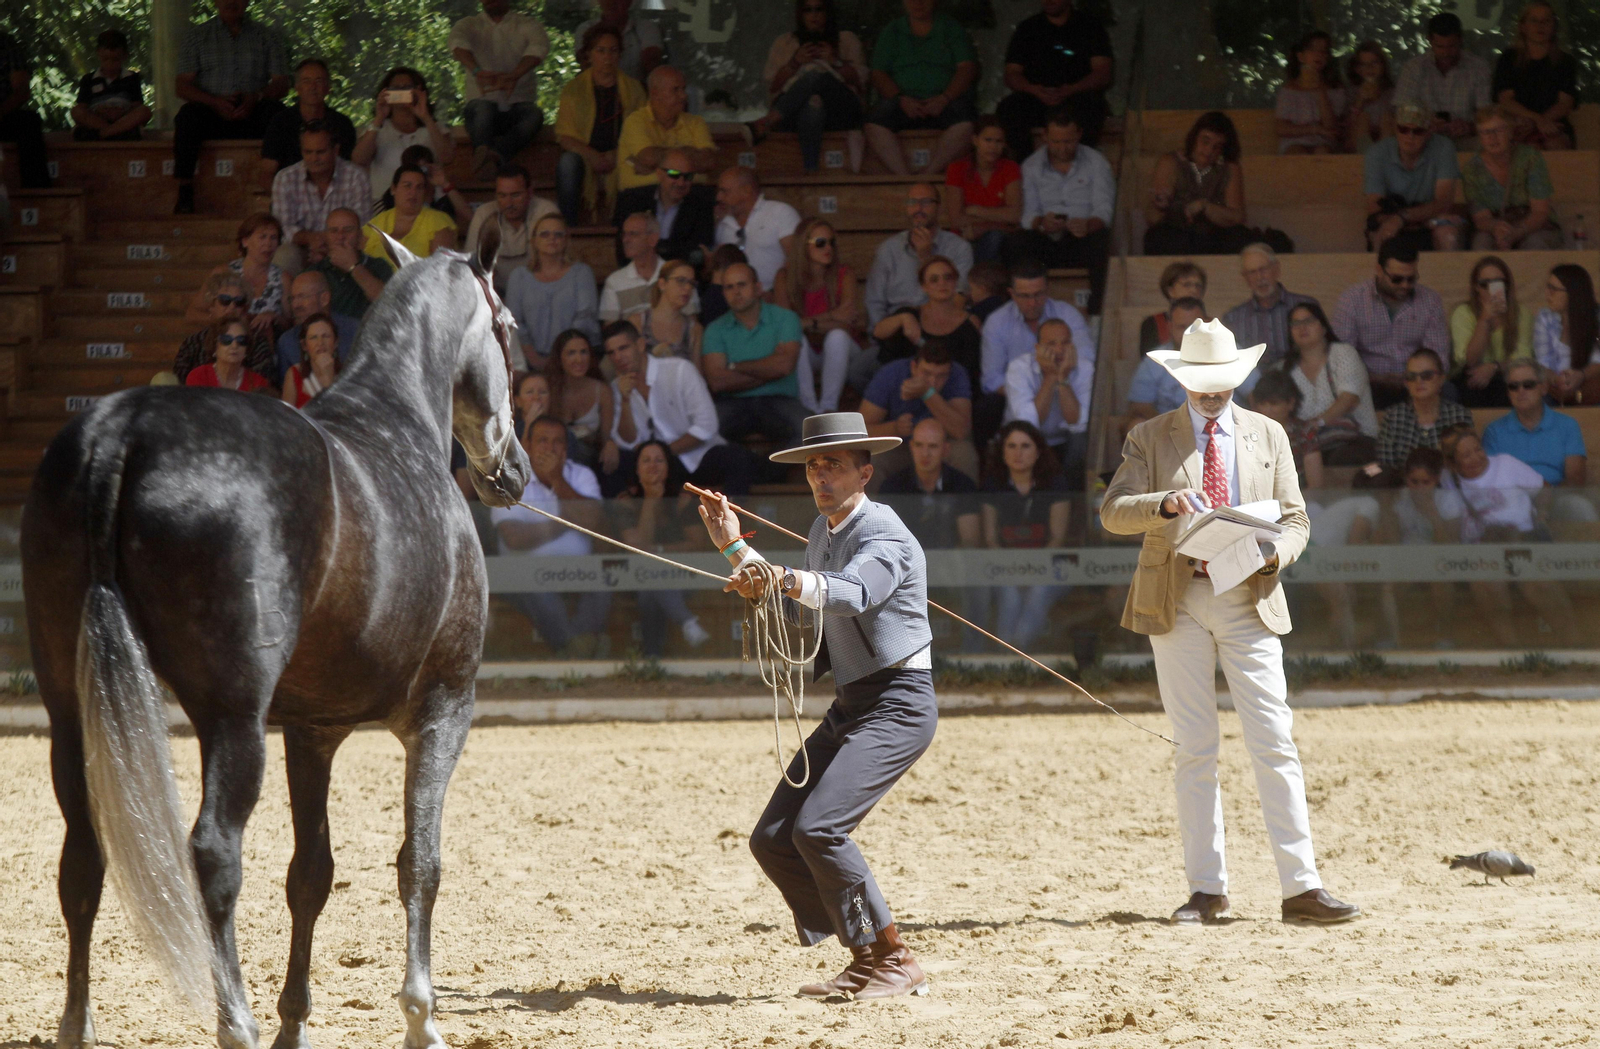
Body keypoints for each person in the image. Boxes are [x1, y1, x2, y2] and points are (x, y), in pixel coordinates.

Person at [1101, 317, 1359, 926]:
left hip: (1249, 594)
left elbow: (1296, 519)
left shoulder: (1269, 433)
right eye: (1201, 381)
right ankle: (1206, 888)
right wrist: (1162, 504)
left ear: (1236, 379)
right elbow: (1112, 511)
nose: (1212, 391)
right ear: (1183, 379)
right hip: (1179, 598)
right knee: (1195, 745)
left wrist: (1275, 551)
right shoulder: (1149, 435)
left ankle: (1301, 885)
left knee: (1275, 738)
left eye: (1222, 381)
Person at [700, 410, 936, 1001]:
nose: (820, 476)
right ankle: (864, 956)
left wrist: (781, 577)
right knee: (775, 837)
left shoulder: (884, 534)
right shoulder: (820, 533)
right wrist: (734, 549)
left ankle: (895, 958)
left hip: (899, 703)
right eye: (813, 466)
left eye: (833, 464)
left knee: (821, 828)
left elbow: (854, 594)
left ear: (865, 471)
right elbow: (804, 608)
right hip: (855, 703)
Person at [493, 416, 613, 658]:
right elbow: (514, 539)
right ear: (527, 446)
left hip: (579, 571)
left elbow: (594, 522)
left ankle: (572, 649)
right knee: (535, 583)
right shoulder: (508, 480)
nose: (550, 448)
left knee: (606, 579)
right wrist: (569, 521)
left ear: (566, 448)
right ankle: (574, 648)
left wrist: (558, 480)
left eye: (557, 442)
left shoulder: (581, 475)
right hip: (525, 573)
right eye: (543, 441)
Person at [605, 319, 753, 495]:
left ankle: (734, 520)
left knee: (736, 457)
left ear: (640, 344)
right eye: (611, 353)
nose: (618, 357)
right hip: (653, 464)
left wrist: (664, 454)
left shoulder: (679, 370)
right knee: (610, 463)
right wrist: (625, 400)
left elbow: (707, 425)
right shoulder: (616, 387)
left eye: (623, 348)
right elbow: (628, 441)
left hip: (698, 455)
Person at [171, 0, 289, 212]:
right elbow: (182, 86)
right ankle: (185, 189)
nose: (231, 2)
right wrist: (214, 102)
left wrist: (256, 97)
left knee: (280, 115)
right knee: (187, 116)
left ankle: (281, 190)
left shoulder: (267, 36)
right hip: (212, 113)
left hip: (253, 111)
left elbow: (282, 83)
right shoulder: (197, 36)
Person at [1006, 106, 1113, 314]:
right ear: (1045, 136)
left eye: (1068, 141)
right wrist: (1041, 223)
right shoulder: (1031, 166)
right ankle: (1023, 308)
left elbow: (1105, 208)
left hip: (1083, 239)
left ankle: (1099, 312)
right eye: (1056, 142)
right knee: (1016, 242)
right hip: (1047, 240)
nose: (1062, 148)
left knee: (1105, 241)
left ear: (1079, 135)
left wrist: (1089, 224)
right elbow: (1027, 213)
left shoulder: (1096, 163)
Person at [613, 440, 712, 654]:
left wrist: (658, 551)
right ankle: (687, 623)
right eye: (646, 461)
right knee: (651, 583)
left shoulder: (682, 499)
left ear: (668, 466)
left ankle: (652, 659)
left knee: (652, 586)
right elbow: (635, 548)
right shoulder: (626, 501)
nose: (653, 466)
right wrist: (650, 499)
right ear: (637, 469)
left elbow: (697, 544)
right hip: (635, 576)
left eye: (659, 460)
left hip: (683, 574)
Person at [750, 0, 869, 174]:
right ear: (801, 14)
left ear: (827, 12)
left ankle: (767, 121)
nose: (814, 15)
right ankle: (811, 171)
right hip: (794, 114)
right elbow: (772, 86)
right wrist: (794, 63)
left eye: (819, 9)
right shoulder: (785, 42)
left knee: (815, 76)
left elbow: (862, 81)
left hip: (842, 110)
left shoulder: (846, 39)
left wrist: (835, 62)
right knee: (813, 104)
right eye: (808, 10)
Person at [1332, 239, 1452, 409]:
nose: (1405, 285)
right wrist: (1375, 378)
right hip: (1368, 382)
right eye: (1397, 279)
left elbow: (1438, 357)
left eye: (1411, 279)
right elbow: (1341, 357)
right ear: (1379, 270)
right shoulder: (1352, 300)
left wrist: (1414, 377)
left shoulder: (1430, 300)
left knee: (1447, 390)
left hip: (1417, 380)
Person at [864, 0, 978, 176]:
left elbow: (967, 68)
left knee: (967, 124)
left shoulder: (950, 28)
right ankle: (904, 178)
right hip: (903, 103)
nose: (918, 2)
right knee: (874, 124)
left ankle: (928, 175)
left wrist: (944, 98)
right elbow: (878, 73)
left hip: (943, 102)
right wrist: (900, 98)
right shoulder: (893, 30)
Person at [981, 420, 1069, 649]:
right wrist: (1013, 570)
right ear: (1002, 451)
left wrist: (1032, 570)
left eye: (1025, 446)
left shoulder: (1054, 484)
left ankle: (1016, 656)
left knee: (1038, 591)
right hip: (1004, 568)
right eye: (1011, 446)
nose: (1018, 453)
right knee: (1009, 595)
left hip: (1049, 567)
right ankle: (1008, 657)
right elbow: (990, 539)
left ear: (1038, 451)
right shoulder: (993, 485)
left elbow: (1057, 539)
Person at [701, 262, 807, 446]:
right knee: (703, 435)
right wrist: (770, 371)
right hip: (732, 403)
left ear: (757, 288)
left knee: (813, 433)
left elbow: (784, 366)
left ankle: (763, 473)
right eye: (729, 287)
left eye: (742, 285)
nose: (736, 292)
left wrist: (735, 366)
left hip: (780, 400)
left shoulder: (786, 318)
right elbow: (717, 381)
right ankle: (747, 470)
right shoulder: (714, 329)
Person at [995, 0, 1112, 160]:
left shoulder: (1090, 26)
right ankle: (1026, 165)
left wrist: (1071, 89)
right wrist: (1033, 89)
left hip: (1075, 98)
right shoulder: (1028, 28)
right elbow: (1012, 74)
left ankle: (1080, 166)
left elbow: (1102, 72)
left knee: (1093, 106)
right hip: (1036, 98)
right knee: (1009, 108)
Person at [554, 24, 646, 227]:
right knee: (567, 164)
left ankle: (625, 229)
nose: (607, 57)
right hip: (585, 156)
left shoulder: (634, 89)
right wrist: (591, 155)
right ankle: (567, 229)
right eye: (601, 50)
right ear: (589, 54)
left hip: (623, 155)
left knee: (638, 165)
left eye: (613, 51)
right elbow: (565, 136)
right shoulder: (573, 90)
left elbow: (643, 132)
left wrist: (617, 153)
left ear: (620, 54)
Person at [450, 0, 550, 179]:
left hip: (518, 105)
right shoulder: (469, 24)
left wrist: (515, 75)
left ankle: (491, 157)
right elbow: (457, 44)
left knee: (534, 115)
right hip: (481, 105)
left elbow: (539, 48)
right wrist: (477, 72)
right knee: (483, 110)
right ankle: (486, 154)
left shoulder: (527, 24)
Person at [773, 217, 861, 414]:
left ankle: (828, 408)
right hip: (807, 351)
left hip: (844, 351)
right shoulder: (785, 277)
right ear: (803, 246)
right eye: (820, 243)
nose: (827, 248)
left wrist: (805, 323)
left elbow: (846, 326)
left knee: (837, 338)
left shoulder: (844, 274)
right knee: (797, 341)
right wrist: (831, 316)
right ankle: (810, 409)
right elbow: (786, 328)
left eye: (831, 242)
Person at [861, 338, 976, 481]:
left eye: (941, 376)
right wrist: (895, 428)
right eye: (927, 373)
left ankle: (968, 503)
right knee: (874, 459)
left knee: (964, 454)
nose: (933, 382)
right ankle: (871, 504)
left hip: (940, 446)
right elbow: (862, 431)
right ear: (914, 367)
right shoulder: (891, 374)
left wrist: (927, 393)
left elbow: (961, 431)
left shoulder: (957, 374)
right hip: (900, 445)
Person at [979, 261, 1093, 404]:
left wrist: (1057, 386)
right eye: (1025, 296)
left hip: (1065, 392)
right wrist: (1032, 394)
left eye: (1038, 294)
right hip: (1017, 397)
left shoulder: (1068, 314)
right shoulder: (996, 322)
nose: (1032, 303)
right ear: (1012, 294)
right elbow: (992, 379)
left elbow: (1086, 360)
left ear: (1047, 289)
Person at [864, 183, 973, 328]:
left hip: (940, 327)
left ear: (939, 209)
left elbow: (958, 300)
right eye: (912, 202)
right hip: (897, 329)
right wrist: (881, 336)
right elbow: (874, 302)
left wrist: (927, 259)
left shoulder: (959, 248)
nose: (918, 208)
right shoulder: (889, 249)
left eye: (926, 202)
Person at [269, 121, 371, 276]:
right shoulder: (285, 178)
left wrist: (328, 243)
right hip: (301, 249)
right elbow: (282, 227)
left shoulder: (356, 177)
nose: (313, 158)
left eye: (320, 152)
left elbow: (361, 226)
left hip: (345, 247)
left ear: (336, 150)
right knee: (284, 256)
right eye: (308, 152)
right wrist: (312, 239)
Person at [1281, 300, 1378, 463]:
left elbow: (1349, 399)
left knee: (1338, 460)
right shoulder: (1285, 369)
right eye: (1295, 323)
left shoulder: (1343, 353)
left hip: (1357, 441)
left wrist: (1317, 423)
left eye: (1308, 321)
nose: (1302, 328)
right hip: (1310, 446)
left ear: (1324, 327)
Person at [1143, 111, 1249, 257]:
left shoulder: (1229, 168)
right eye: (1205, 141)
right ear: (1194, 138)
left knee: (1240, 237)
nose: (1209, 151)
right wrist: (1162, 206)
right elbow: (1152, 217)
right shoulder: (1171, 162)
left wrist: (1205, 207)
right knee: (1159, 237)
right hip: (1177, 234)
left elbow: (1237, 217)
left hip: (1214, 237)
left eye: (1217, 147)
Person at [1003, 315, 1092, 488]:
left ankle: (1072, 499)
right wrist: (1051, 377)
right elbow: (1028, 423)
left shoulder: (1085, 368)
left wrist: (1062, 378)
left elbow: (1078, 421)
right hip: (1027, 441)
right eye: (1051, 344)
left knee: (1083, 441)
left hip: (1065, 442)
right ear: (1038, 348)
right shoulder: (1019, 368)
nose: (1059, 350)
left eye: (1065, 343)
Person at [872, 256, 983, 394]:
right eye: (934, 279)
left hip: (953, 394)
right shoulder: (910, 313)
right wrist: (903, 318)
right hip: (908, 390)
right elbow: (877, 332)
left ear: (955, 281)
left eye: (947, 277)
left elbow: (972, 370)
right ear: (924, 286)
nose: (942, 283)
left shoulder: (971, 322)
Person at [1363, 101, 1464, 252]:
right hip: (1398, 218)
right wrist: (1403, 220)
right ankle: (1381, 275)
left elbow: (1444, 202)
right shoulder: (1376, 153)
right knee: (1381, 233)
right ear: (1395, 129)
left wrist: (1402, 218)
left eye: (1417, 131)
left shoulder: (1444, 147)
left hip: (1427, 219)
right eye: (1403, 129)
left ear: (1429, 131)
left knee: (1447, 232)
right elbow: (1374, 208)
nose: (1409, 136)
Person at [1462, 105, 1563, 252]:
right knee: (1481, 246)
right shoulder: (1472, 168)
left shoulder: (1530, 158)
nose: (1492, 137)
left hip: (1531, 225)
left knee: (1535, 245)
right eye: (1485, 132)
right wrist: (1496, 228)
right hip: (1494, 226)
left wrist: (1516, 232)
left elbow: (1540, 212)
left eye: (1499, 130)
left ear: (1510, 131)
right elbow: (1481, 217)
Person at [350, 67, 455, 205]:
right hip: (384, 204)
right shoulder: (378, 128)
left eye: (406, 87)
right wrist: (378, 118)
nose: (400, 91)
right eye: (395, 88)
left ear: (418, 90)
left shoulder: (434, 127)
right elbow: (358, 159)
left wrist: (425, 117)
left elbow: (447, 157)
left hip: (427, 203)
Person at [1483, 359, 1589, 491]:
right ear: (1508, 393)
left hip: (1558, 499)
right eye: (1513, 386)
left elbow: (1575, 481)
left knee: (1580, 508)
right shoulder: (1494, 431)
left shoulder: (1567, 425)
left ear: (1544, 388)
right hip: (1510, 501)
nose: (1520, 391)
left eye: (1528, 385)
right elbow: (1489, 482)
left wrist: (1546, 501)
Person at [1394, 12, 1493, 150]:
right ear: (1429, 41)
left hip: (1466, 139)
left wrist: (1469, 127)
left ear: (1460, 40)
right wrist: (1425, 124)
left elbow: (1487, 113)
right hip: (1423, 139)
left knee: (1488, 143)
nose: (1446, 52)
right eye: (1440, 47)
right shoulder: (1414, 68)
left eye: (1451, 46)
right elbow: (1401, 112)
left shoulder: (1478, 68)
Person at [615, 65, 717, 192]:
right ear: (655, 93)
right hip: (643, 195)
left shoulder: (696, 122)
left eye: (683, 89)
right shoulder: (635, 121)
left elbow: (709, 161)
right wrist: (691, 157)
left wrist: (655, 165)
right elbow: (649, 158)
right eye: (675, 90)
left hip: (690, 194)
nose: (683, 96)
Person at [186, 212, 289, 337]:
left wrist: (274, 317)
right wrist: (224, 320)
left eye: (273, 238)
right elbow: (192, 315)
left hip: (266, 348)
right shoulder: (223, 273)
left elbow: (291, 323)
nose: (268, 243)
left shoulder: (283, 279)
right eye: (262, 237)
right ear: (245, 241)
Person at [612, 146, 717, 268]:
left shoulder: (701, 206)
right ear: (659, 174)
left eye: (687, 176)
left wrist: (651, 249)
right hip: (638, 276)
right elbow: (625, 249)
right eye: (674, 174)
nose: (681, 182)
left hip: (681, 278)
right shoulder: (633, 201)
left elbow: (697, 255)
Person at [1449, 255, 1533, 407]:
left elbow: (1523, 358)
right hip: (1471, 374)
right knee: (1472, 385)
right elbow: (1468, 360)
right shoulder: (1463, 312)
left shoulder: (1521, 313)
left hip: (1507, 373)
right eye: (1484, 284)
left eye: (1497, 282)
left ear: (1507, 285)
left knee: (1510, 386)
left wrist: (1494, 367)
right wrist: (1484, 320)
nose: (1491, 289)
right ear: (1475, 287)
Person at [1492, 1, 1577, 151]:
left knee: (1555, 144)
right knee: (1527, 147)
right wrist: (1536, 120)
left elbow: (1565, 103)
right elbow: (1505, 99)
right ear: (1523, 26)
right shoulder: (1509, 58)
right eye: (1534, 20)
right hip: (1517, 124)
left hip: (1553, 124)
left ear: (1554, 26)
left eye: (1546, 21)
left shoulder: (1565, 61)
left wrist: (1541, 122)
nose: (1540, 25)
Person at [258, 59, 355, 188]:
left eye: (319, 81)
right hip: (291, 197)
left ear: (328, 87)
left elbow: (349, 170)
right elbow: (267, 173)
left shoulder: (342, 124)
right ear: (297, 87)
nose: (313, 87)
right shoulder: (281, 123)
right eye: (306, 81)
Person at [1374, 348, 1474, 469]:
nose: (1418, 381)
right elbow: (1384, 465)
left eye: (1427, 375)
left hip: (1450, 486)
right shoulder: (1392, 417)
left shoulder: (1459, 415)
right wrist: (1367, 472)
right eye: (1411, 376)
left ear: (1442, 379)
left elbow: (1468, 463)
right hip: (1402, 486)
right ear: (1406, 383)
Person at [1221, 244, 1317, 368]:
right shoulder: (1233, 319)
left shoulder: (1307, 307)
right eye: (1252, 272)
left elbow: (1322, 351)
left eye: (1263, 269)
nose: (1259, 277)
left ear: (1276, 269)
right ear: (1245, 278)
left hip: (1301, 382)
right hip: (1254, 385)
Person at [464, 165, 557, 294]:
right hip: (494, 294)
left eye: (515, 195)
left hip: (539, 292)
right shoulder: (483, 214)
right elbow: (472, 266)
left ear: (530, 193)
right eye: (502, 196)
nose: (509, 203)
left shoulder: (546, 211)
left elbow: (555, 264)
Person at [174, 270, 278, 383]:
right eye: (225, 300)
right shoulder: (192, 343)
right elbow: (180, 386)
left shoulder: (256, 342)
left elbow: (263, 386)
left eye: (239, 301)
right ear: (211, 305)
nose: (232, 306)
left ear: (245, 309)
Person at [879, 417, 982, 529]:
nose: (925, 454)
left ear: (945, 450)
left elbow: (969, 542)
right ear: (911, 446)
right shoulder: (892, 487)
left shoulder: (964, 486)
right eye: (919, 445)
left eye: (933, 446)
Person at [944, 116, 1023, 262]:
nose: (993, 147)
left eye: (998, 141)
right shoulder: (957, 169)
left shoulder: (1010, 168)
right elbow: (957, 219)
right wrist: (997, 220)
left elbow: (1014, 215)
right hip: (964, 237)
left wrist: (975, 211)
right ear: (975, 140)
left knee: (995, 238)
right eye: (988, 140)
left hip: (997, 238)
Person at [601, 211, 700, 323]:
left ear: (653, 239)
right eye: (624, 234)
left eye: (633, 234)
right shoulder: (614, 282)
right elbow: (611, 331)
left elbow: (692, 325)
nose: (625, 240)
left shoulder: (680, 276)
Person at [1125, 298, 1205, 430]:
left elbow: (1251, 396)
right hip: (1168, 430)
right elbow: (1139, 405)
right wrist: (1173, 428)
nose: (1188, 333)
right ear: (1170, 327)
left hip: (1219, 431)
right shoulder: (1153, 360)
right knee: (1137, 426)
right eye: (1181, 327)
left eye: (1194, 327)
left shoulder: (1229, 352)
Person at [714, 168, 801, 289]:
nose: (718, 197)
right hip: (733, 301)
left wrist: (776, 293)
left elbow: (797, 261)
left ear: (746, 190)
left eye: (724, 191)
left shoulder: (781, 213)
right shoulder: (722, 223)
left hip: (776, 300)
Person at [544, 329, 616, 470]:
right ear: (559, 358)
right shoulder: (547, 389)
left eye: (583, 352)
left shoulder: (602, 390)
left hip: (589, 459)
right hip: (552, 456)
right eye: (571, 353)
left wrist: (609, 444)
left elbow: (606, 438)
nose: (579, 359)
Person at [308, 207, 393, 319]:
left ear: (360, 236)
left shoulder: (379, 266)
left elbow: (389, 304)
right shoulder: (314, 272)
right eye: (334, 231)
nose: (340, 236)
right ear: (325, 236)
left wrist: (354, 267)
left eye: (348, 230)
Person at [1534, 263, 1600, 405]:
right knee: (1538, 397)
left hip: (1591, 387)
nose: (1547, 294)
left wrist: (1580, 375)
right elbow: (1543, 362)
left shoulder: (1596, 317)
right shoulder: (1545, 317)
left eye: (1553, 289)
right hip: (1556, 388)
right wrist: (1555, 379)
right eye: (1548, 287)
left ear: (1572, 293)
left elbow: (1598, 360)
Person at [70, 30, 151, 143]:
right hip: (98, 120)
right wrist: (99, 112)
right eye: (106, 59)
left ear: (124, 56)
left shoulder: (132, 78)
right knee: (76, 111)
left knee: (145, 111)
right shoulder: (88, 79)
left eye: (115, 60)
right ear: (99, 53)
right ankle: (117, 133)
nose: (110, 64)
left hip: (123, 119)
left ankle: (103, 134)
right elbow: (82, 107)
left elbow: (137, 106)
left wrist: (121, 112)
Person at [275, 270, 358, 380]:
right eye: (292, 298)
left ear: (324, 299)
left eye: (302, 297)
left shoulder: (355, 331)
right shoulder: (287, 342)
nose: (295, 305)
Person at [364, 165, 458, 259]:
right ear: (393, 189)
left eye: (419, 187)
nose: (413, 192)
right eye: (407, 186)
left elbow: (440, 266)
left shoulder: (438, 221)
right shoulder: (376, 223)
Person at [1275, 31, 1346, 155]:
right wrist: (1315, 129)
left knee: (1323, 152)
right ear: (1301, 57)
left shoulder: (1335, 89)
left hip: (1324, 142)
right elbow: (1281, 128)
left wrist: (1320, 91)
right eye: (1313, 50)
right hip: (1294, 143)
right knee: (1297, 153)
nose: (1318, 54)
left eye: (1323, 51)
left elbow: (1331, 127)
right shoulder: (1289, 90)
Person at [575, 0, 665, 84]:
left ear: (629, 2)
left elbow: (653, 68)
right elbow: (585, 64)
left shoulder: (647, 28)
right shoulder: (585, 29)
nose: (612, 3)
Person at [637, 258, 703, 366]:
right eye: (680, 280)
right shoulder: (639, 322)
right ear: (662, 284)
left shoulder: (694, 329)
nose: (687, 288)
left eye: (691, 283)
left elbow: (696, 375)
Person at [186, 318, 273, 392]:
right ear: (214, 345)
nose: (234, 346)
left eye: (241, 340)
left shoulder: (258, 383)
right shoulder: (198, 376)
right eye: (226, 339)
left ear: (247, 349)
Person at [1142, 261, 1207, 356]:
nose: (1194, 290)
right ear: (1170, 290)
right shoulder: (1154, 323)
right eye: (1187, 285)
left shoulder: (1211, 323)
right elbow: (1151, 360)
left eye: (1198, 286)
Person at [281, 311, 340, 408]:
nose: (320, 343)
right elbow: (286, 418)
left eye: (326, 336)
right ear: (304, 345)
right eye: (313, 338)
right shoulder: (294, 374)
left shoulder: (347, 374)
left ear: (336, 342)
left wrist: (328, 380)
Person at [1344, 41, 1394, 153]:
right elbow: (1347, 125)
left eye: (1374, 63)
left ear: (1382, 65)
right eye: (1364, 64)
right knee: (1363, 118)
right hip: (1357, 139)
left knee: (1386, 119)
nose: (1369, 68)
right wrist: (1360, 100)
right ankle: (1367, 158)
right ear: (1357, 68)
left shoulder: (1392, 92)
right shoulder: (1352, 91)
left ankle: (1381, 158)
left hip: (1386, 136)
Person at [966, 258, 1012, 323]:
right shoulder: (1009, 307)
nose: (969, 293)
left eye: (971, 289)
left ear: (982, 289)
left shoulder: (978, 311)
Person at [513, 369, 551, 438]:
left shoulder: (563, 432)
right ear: (518, 401)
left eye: (542, 392)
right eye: (529, 392)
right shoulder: (512, 433)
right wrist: (528, 425)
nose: (536, 397)